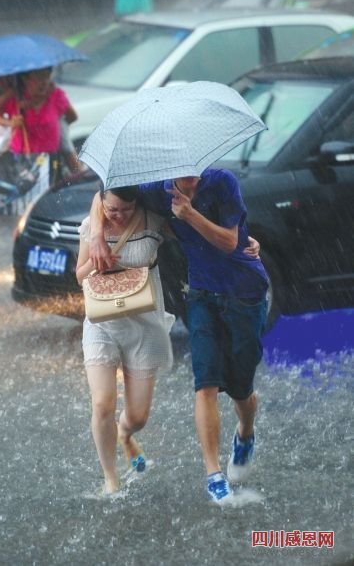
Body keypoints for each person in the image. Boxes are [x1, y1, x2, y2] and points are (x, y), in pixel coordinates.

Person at [88, 170, 268, 505]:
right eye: (182, 174)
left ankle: (245, 433)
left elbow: (229, 242)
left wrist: (191, 215)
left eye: (195, 172)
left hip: (245, 292)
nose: (191, 179)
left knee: (241, 388)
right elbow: (107, 195)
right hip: (201, 294)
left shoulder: (223, 182)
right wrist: (96, 233)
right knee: (206, 383)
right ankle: (214, 474)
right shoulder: (156, 191)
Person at [76, 185, 174, 495]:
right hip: (102, 321)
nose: (118, 216)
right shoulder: (92, 226)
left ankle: (125, 434)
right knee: (103, 402)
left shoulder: (154, 222)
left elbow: (195, 240)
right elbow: (79, 276)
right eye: (112, 209)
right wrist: (96, 254)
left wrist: (244, 242)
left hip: (145, 324)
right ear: (101, 201)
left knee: (138, 416)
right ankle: (110, 478)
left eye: (126, 210)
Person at [0, 69, 81, 174]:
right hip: (24, 160)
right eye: (38, 78)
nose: (43, 83)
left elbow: (72, 116)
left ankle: (79, 174)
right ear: (25, 80)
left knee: (67, 149)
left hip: (50, 159)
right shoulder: (15, 97)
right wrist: (11, 123)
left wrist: (56, 126)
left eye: (46, 77)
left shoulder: (55, 95)